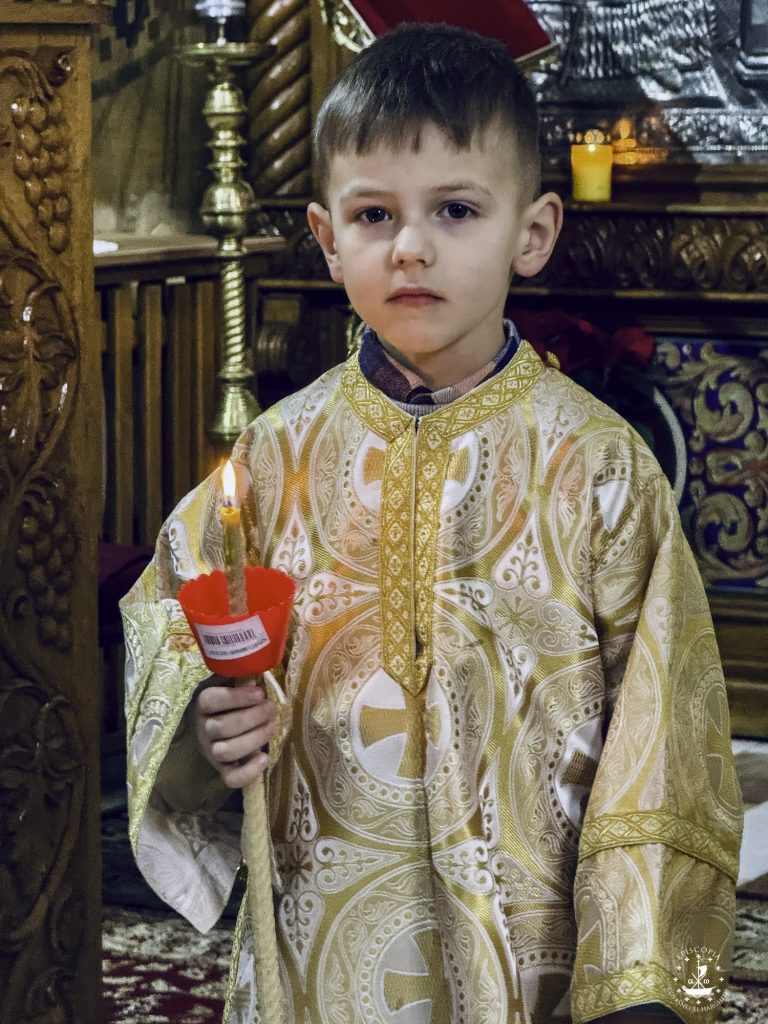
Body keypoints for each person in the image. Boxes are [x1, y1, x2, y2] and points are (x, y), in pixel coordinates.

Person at [120, 23, 743, 1024]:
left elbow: (661, 744)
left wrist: (637, 981)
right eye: (374, 214)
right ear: (328, 240)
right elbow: (176, 634)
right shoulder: (274, 459)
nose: (410, 246)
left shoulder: (598, 466)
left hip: (525, 948)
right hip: (321, 942)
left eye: (455, 209)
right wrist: (208, 723)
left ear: (532, 233)